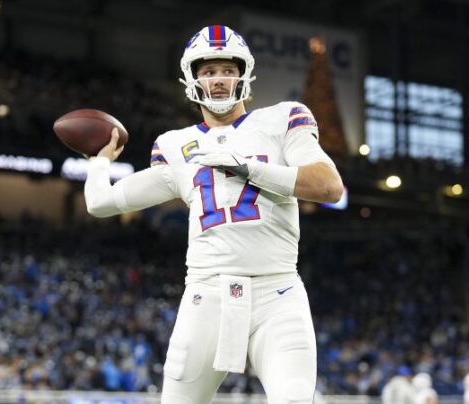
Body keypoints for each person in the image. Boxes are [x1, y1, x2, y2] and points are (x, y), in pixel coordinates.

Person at [84, 25, 343, 404]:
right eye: (208, 71)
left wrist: (250, 169)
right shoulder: (175, 145)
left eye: (227, 69)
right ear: (193, 79)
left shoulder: (282, 120)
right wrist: (99, 162)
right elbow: (100, 203)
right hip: (207, 295)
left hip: (278, 292)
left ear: (244, 74)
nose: (219, 80)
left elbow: (329, 186)